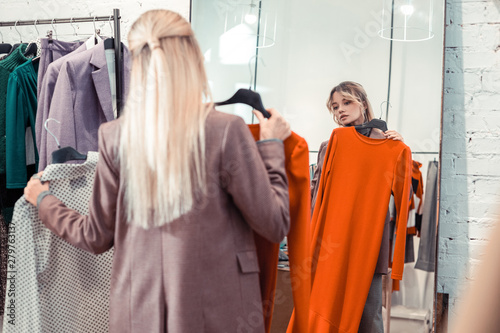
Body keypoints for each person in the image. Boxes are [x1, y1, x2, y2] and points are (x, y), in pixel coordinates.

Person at [24, 9, 291, 333]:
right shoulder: (225, 131)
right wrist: (272, 144)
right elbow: (275, 223)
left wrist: (44, 200)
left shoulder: (115, 136)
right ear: (192, 57)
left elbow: (94, 236)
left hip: (141, 317)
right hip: (220, 314)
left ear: (137, 62)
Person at [310, 81, 403, 333]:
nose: (340, 110)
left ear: (362, 102)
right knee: (330, 307)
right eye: (335, 106)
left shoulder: (387, 144)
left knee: (370, 313)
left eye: (346, 102)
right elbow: (315, 195)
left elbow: (402, 189)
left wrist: (398, 148)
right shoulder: (330, 146)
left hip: (369, 240)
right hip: (334, 239)